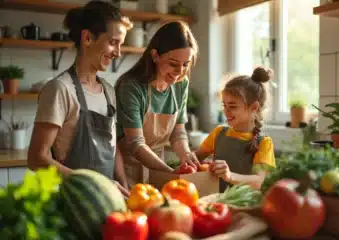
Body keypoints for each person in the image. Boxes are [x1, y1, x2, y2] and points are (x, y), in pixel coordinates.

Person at [27, 1, 132, 196]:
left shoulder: (109, 91)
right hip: (73, 202)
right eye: (113, 42)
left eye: (121, 45)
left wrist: (124, 187)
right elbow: (36, 158)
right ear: (88, 37)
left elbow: (113, 146)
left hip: (109, 200)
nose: (118, 53)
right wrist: (94, 185)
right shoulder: (60, 89)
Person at [115, 21, 200, 187]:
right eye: (174, 64)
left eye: (186, 64)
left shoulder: (181, 84)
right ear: (155, 56)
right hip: (127, 170)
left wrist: (186, 155)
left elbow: (178, 133)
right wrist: (169, 172)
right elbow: (136, 144)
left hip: (158, 169)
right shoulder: (131, 86)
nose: (180, 72)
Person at [195, 67, 276, 192]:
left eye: (232, 106)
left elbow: (258, 182)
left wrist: (229, 176)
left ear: (254, 107)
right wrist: (189, 159)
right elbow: (196, 158)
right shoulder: (218, 133)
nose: (226, 111)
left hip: (242, 205)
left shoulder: (264, 143)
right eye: (224, 105)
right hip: (214, 200)